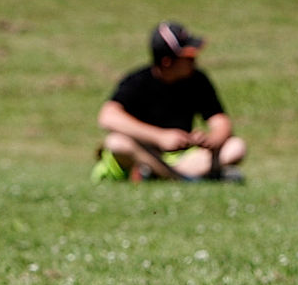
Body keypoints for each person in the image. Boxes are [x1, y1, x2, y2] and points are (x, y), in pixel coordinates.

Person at [94, 21, 246, 182]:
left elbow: (221, 122)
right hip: (143, 153)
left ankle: (161, 175)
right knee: (116, 143)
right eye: (188, 57)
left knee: (236, 147)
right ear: (167, 62)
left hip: (180, 157)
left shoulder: (198, 80)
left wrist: (210, 140)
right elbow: (107, 117)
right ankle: (185, 176)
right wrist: (160, 137)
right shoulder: (138, 81)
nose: (194, 60)